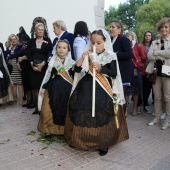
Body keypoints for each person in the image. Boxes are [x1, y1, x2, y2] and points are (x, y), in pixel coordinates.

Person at [64, 29, 129, 156]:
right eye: (93, 42)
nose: (95, 46)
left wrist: (101, 68)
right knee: (80, 109)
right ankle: (80, 138)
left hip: (102, 89)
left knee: (101, 113)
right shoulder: (87, 54)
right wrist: (82, 59)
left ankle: (103, 143)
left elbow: (114, 73)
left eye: (98, 43)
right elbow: (76, 70)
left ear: (105, 42)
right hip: (85, 88)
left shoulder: (110, 55)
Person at [37, 40, 75, 137]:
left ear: (68, 50)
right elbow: (48, 76)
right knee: (48, 109)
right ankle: (48, 130)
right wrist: (43, 87)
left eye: (64, 48)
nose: (61, 49)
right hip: (53, 87)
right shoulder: (53, 61)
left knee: (64, 108)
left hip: (67, 88)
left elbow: (75, 77)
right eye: (59, 47)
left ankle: (64, 130)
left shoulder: (72, 63)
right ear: (56, 49)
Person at [146, 17, 170, 130]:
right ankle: (156, 118)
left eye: (166, 27)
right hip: (156, 70)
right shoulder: (155, 41)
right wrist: (163, 54)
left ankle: (167, 120)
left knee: (167, 97)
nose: (163, 29)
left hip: (167, 69)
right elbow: (149, 56)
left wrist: (157, 53)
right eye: (162, 27)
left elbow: (169, 54)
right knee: (157, 97)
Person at [27, 23, 52, 114]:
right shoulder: (31, 41)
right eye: (39, 29)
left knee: (43, 87)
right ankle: (37, 107)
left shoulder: (47, 40)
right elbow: (28, 53)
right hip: (33, 66)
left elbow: (50, 52)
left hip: (43, 66)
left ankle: (43, 108)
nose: (41, 31)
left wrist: (43, 63)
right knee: (35, 87)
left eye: (42, 29)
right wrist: (32, 64)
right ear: (35, 31)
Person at [110, 20, 133, 114]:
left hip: (124, 71)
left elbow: (129, 54)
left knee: (121, 93)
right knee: (115, 92)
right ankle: (117, 111)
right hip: (114, 70)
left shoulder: (123, 39)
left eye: (113, 27)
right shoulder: (110, 40)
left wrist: (116, 54)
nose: (110, 29)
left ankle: (123, 112)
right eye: (110, 27)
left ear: (119, 29)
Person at [125, 31, 146, 116]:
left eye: (128, 35)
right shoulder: (125, 46)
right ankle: (125, 108)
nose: (127, 37)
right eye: (126, 36)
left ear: (133, 37)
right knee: (126, 91)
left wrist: (132, 48)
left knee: (135, 91)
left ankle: (134, 108)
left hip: (135, 70)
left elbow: (143, 58)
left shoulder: (138, 46)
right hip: (126, 70)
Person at [4, 34, 23, 105]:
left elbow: (17, 54)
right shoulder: (9, 48)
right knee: (13, 83)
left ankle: (21, 99)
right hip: (11, 68)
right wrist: (9, 49)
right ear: (10, 41)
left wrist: (9, 56)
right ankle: (14, 99)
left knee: (20, 83)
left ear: (17, 39)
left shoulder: (19, 47)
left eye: (15, 39)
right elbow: (4, 54)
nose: (14, 40)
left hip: (18, 67)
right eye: (12, 39)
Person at [137, 30, 153, 114]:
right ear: (144, 36)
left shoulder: (153, 46)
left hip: (150, 71)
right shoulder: (140, 46)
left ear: (151, 37)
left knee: (148, 89)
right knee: (140, 87)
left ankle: (146, 104)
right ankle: (139, 104)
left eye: (149, 35)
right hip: (141, 70)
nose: (147, 37)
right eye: (146, 35)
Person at [16, 27, 33, 107]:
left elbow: (30, 54)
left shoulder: (29, 45)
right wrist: (18, 63)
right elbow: (18, 55)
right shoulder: (21, 46)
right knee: (26, 85)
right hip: (23, 68)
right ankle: (29, 101)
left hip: (28, 67)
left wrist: (22, 58)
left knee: (30, 85)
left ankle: (32, 101)